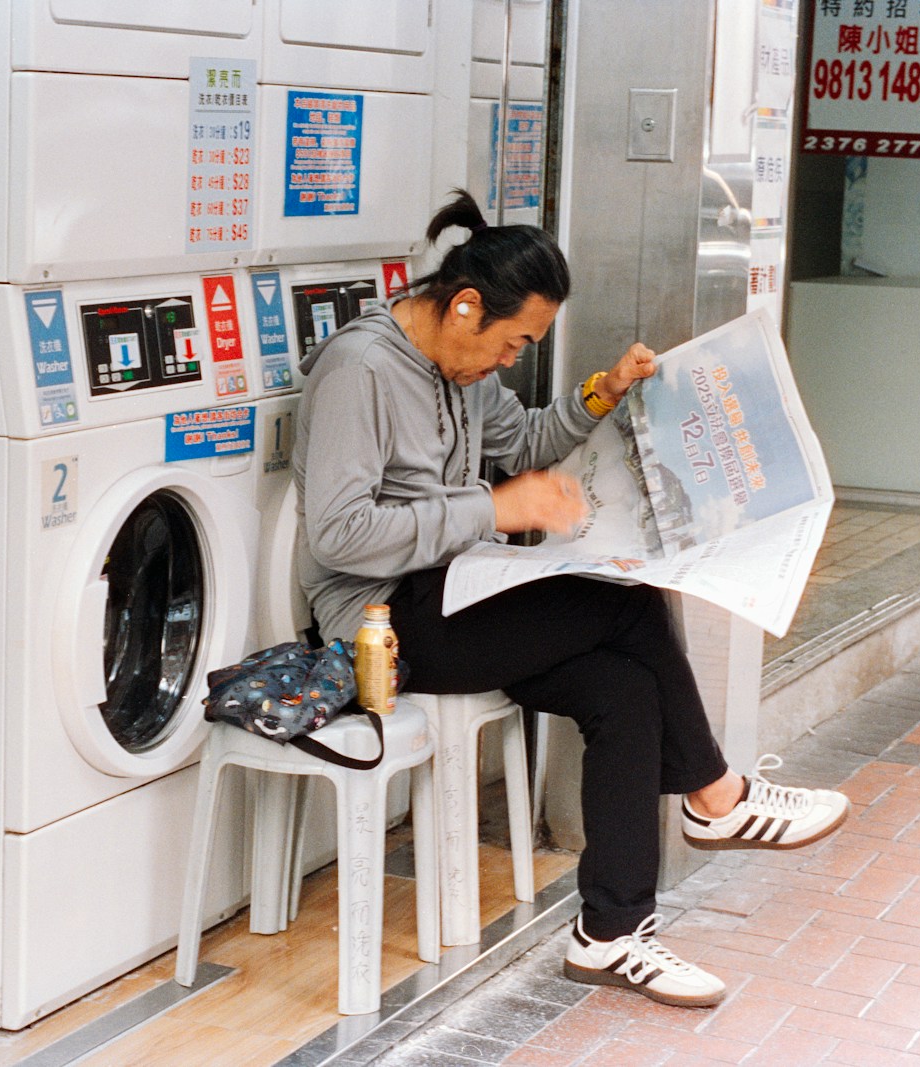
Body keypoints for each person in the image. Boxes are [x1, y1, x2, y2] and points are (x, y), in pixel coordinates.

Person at [291, 189, 849, 1009]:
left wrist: (605, 391)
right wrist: (495, 509)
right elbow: (337, 534)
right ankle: (714, 794)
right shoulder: (361, 369)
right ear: (465, 306)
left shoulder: (462, 366)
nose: (510, 359)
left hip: (459, 590)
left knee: (621, 689)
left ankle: (611, 935)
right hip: (379, 620)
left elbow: (521, 442)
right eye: (512, 341)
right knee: (627, 606)